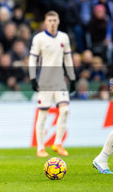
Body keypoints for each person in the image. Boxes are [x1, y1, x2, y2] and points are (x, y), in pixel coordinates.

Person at [28, 11, 76, 157]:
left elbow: (68, 59)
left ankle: (58, 143)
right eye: (50, 20)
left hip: (59, 80)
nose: (52, 23)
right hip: (45, 82)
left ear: (59, 21)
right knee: (43, 115)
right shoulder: (39, 38)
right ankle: (40, 148)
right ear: (45, 22)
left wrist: (72, 78)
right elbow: (32, 59)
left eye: (55, 20)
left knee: (65, 110)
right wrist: (32, 78)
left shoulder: (64, 37)